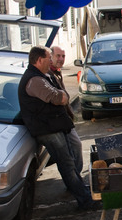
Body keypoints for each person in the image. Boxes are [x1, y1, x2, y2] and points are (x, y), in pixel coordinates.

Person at [18, 46, 97, 210]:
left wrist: (62, 97)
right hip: (48, 130)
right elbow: (58, 97)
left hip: (55, 126)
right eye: (49, 58)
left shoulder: (43, 75)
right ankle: (85, 200)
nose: (51, 61)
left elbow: (62, 96)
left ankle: (82, 192)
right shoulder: (34, 80)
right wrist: (62, 97)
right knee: (67, 163)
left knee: (70, 160)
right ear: (39, 60)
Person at [49, 46, 83, 173]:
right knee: (72, 149)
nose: (61, 59)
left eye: (63, 56)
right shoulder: (48, 74)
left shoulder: (57, 72)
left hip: (65, 119)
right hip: (58, 121)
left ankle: (76, 176)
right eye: (58, 56)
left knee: (74, 148)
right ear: (50, 57)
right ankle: (75, 178)